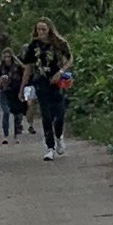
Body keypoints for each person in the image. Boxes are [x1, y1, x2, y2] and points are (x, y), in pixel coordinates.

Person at [28, 16, 73, 153]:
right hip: (41, 82)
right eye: (38, 29)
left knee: (59, 114)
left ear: (49, 29)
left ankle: (59, 136)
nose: (41, 32)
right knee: (46, 114)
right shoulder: (33, 45)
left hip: (57, 81)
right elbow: (28, 65)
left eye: (44, 29)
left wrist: (61, 71)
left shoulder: (59, 43)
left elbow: (70, 58)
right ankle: (49, 147)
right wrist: (24, 85)